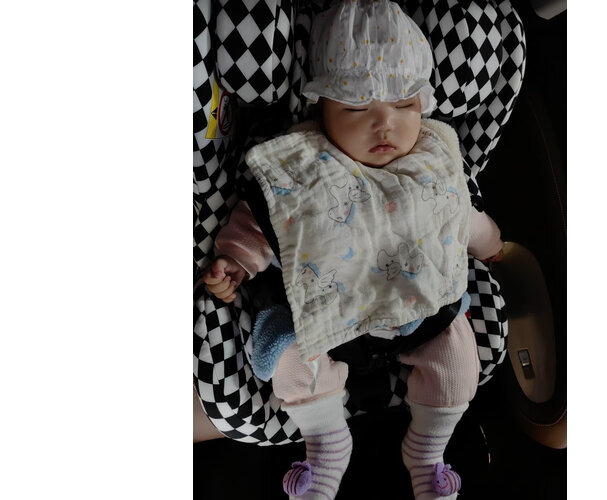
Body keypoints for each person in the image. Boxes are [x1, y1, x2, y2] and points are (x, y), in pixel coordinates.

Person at [203, 1, 504, 498]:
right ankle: (326, 444)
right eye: (357, 108)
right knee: (287, 355)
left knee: (458, 355)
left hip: (417, 312)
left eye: (404, 104)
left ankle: (427, 450)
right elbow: (262, 222)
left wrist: (492, 245)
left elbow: (461, 218)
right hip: (317, 318)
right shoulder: (303, 167)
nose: (384, 123)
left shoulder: (433, 162)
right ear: (320, 108)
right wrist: (234, 264)